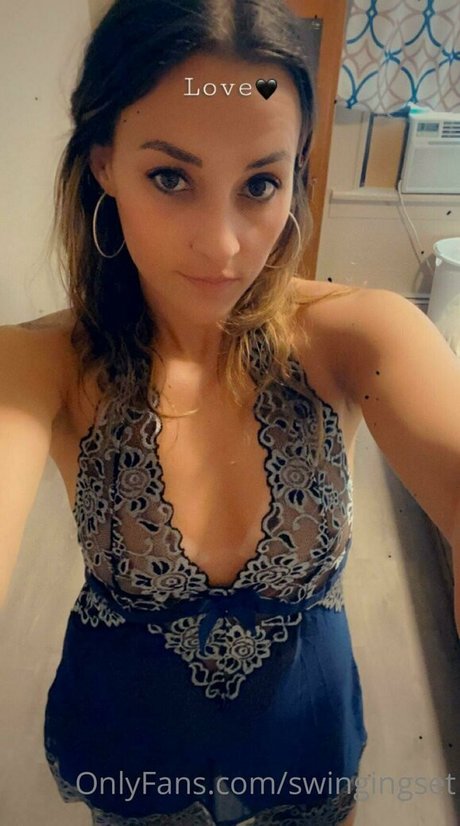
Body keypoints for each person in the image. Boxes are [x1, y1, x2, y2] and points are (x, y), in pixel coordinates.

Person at [2, 0, 459, 824]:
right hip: (133, 761)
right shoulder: (42, 364)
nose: (222, 245)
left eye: (259, 185)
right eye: (170, 177)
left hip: (307, 755)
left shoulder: (358, 336)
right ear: (104, 162)